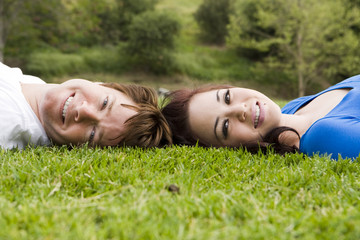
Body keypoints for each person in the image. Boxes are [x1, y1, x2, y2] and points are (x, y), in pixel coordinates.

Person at [162, 75, 360, 160]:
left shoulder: (293, 107)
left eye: (227, 97)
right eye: (224, 127)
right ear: (229, 149)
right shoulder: (325, 137)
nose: (240, 110)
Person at [0, 62, 172, 149]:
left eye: (92, 134)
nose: (83, 110)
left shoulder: (7, 119)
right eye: (104, 103)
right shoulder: (31, 84)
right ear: (104, 84)